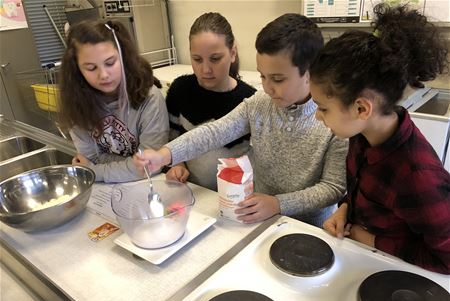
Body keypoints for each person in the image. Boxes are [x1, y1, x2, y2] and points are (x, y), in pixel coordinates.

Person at [134, 14, 348, 227]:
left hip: (311, 229)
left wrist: (278, 203)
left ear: (311, 72)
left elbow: (333, 187)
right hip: (259, 218)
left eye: (277, 79)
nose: (267, 87)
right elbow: (214, 132)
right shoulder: (260, 103)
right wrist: (165, 154)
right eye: (262, 76)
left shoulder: (336, 118)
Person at [309, 4, 450, 274]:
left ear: (362, 108)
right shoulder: (363, 134)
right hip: (362, 258)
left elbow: (446, 259)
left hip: (400, 277)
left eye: (323, 108)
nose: (318, 116)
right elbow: (362, 190)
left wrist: (371, 239)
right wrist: (345, 209)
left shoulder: (417, 177)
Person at [59, 20, 169, 183]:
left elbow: (149, 165)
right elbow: (89, 159)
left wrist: (96, 171)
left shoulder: (149, 97)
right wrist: (129, 165)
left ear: (124, 57)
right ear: (77, 70)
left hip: (149, 184)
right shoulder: (76, 102)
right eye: (91, 68)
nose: (103, 75)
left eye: (110, 63)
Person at [165, 12, 256, 191]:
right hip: (192, 193)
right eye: (197, 59)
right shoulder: (180, 90)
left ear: (232, 53)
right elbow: (172, 135)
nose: (205, 69)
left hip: (236, 197)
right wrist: (177, 164)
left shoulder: (251, 100)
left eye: (215, 59)